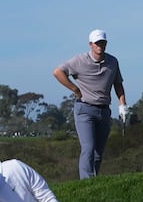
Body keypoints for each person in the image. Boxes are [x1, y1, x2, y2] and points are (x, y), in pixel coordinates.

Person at [53, 29, 127, 179]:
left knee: (99, 152)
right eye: (97, 43)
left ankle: (94, 181)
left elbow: (117, 84)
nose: (100, 46)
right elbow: (58, 72)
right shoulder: (80, 61)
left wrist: (122, 105)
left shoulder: (112, 62)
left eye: (103, 43)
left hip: (104, 111)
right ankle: (85, 182)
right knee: (88, 148)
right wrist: (75, 89)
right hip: (85, 109)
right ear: (91, 44)